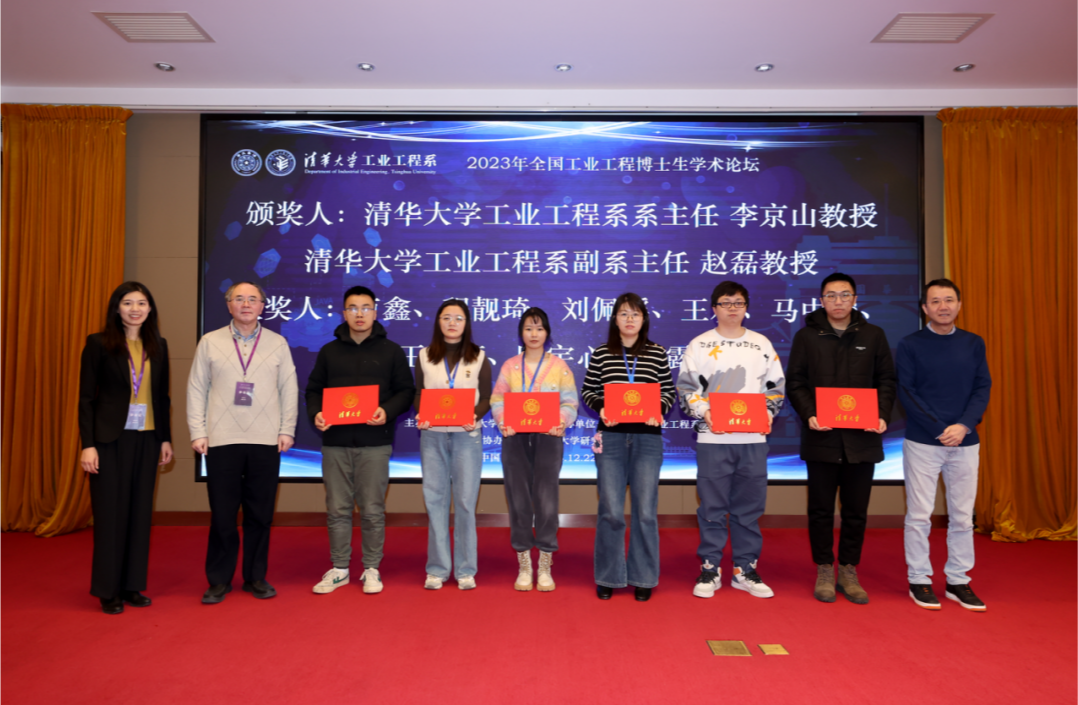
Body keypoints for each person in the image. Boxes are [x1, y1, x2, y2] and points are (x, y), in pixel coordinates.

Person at [786, 272, 896, 605]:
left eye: (844, 295)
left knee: (856, 511)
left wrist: (881, 414)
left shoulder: (873, 335)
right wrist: (809, 413)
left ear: (855, 299)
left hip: (862, 439)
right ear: (821, 300)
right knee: (820, 510)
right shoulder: (807, 336)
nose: (838, 301)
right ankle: (824, 568)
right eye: (831, 295)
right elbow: (796, 382)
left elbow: (886, 380)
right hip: (822, 437)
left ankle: (848, 569)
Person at [187, 281, 298, 604]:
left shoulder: (278, 343)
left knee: (260, 514)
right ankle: (219, 580)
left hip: (266, 440)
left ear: (263, 306)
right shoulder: (210, 342)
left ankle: (255, 577)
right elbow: (196, 389)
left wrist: (287, 429)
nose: (246, 304)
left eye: (252, 299)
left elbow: (289, 389)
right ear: (229, 305)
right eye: (239, 299)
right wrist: (198, 431)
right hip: (221, 439)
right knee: (223, 514)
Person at [677, 281, 786, 600]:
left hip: (753, 439)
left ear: (746, 307)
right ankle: (710, 567)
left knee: (749, 508)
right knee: (711, 508)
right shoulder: (699, 344)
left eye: (738, 302)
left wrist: (768, 412)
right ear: (714, 308)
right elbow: (686, 389)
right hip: (713, 439)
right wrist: (705, 412)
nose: (732, 308)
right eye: (725, 302)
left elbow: (776, 386)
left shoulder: (761, 343)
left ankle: (744, 569)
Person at [305, 286, 415, 595]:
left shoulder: (391, 351)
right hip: (335, 443)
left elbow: (406, 391)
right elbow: (313, 390)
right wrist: (316, 413)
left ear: (375, 312)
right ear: (344, 313)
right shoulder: (329, 352)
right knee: (337, 509)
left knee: (372, 510)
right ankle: (340, 568)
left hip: (374, 444)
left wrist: (386, 411)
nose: (359, 314)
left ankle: (371, 568)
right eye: (352, 308)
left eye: (366, 307)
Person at [78, 282, 173, 614]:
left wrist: (165, 438)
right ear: (116, 308)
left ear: (150, 309)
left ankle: (132, 586)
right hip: (109, 440)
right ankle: (108, 590)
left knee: (139, 513)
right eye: (128, 303)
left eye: (142, 303)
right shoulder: (98, 343)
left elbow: (162, 397)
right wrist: (88, 445)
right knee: (110, 515)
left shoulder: (158, 345)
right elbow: (86, 399)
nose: (135, 309)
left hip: (146, 438)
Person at [897, 279, 991, 611]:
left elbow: (982, 388)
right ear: (925, 308)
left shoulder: (973, 343)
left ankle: (958, 580)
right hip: (923, 442)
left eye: (949, 300)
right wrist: (940, 429)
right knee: (919, 515)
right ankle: (919, 579)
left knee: (963, 516)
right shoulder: (910, 344)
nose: (943, 307)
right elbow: (906, 392)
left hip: (966, 440)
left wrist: (963, 425)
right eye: (935, 301)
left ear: (959, 305)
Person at [581, 293, 676, 602]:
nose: (630, 319)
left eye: (635, 314)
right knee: (610, 510)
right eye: (623, 314)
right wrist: (602, 408)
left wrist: (659, 409)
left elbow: (668, 392)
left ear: (644, 319)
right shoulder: (601, 353)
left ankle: (643, 576)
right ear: (615, 319)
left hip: (647, 438)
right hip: (611, 438)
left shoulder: (657, 353)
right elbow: (589, 390)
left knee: (645, 511)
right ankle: (609, 575)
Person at [491, 308, 579, 592]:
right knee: (518, 500)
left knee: (546, 501)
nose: (534, 334)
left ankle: (544, 562)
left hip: (548, 438)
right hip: (515, 439)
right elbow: (497, 400)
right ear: (521, 333)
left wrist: (560, 421)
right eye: (528, 328)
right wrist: (503, 422)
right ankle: (524, 563)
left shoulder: (559, 366)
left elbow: (570, 402)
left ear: (547, 333)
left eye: (539, 328)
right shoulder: (510, 366)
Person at [414, 299, 493, 590]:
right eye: (446, 317)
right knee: (435, 500)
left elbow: (487, 397)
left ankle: (465, 569)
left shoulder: (479, 356)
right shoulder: (424, 356)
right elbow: (418, 394)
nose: (452, 323)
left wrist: (476, 416)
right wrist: (421, 413)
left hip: (467, 436)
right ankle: (437, 569)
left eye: (458, 318)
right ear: (438, 321)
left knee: (465, 502)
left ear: (466, 323)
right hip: (433, 435)